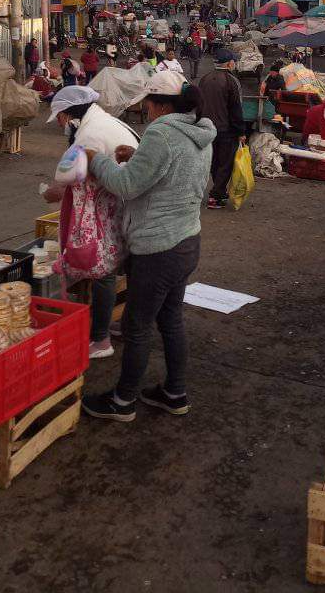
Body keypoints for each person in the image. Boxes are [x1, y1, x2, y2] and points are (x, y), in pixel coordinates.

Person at [80, 70, 216, 422]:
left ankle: (122, 401)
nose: (148, 111)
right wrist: (135, 156)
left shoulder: (161, 133)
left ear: (158, 106)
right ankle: (175, 392)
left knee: (136, 327)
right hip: (187, 241)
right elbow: (170, 173)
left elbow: (126, 186)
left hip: (157, 249)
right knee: (170, 320)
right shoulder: (200, 132)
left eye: (149, 104)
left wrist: (98, 160)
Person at [44, 86, 140, 360]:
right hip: (124, 200)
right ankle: (127, 325)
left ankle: (101, 339)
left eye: (61, 117)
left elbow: (69, 178)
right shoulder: (103, 120)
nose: (61, 123)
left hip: (114, 204)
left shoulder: (89, 134)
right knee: (124, 263)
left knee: (102, 272)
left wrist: (50, 193)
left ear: (70, 115)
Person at [198, 48, 245, 209]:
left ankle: (219, 191)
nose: (235, 63)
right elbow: (236, 108)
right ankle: (216, 196)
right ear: (229, 63)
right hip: (226, 130)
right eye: (234, 61)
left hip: (206, 129)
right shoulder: (231, 81)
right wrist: (240, 131)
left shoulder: (205, 79)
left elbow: (199, 105)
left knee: (214, 162)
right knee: (225, 163)